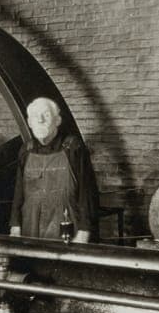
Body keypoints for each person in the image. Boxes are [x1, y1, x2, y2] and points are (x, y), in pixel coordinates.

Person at [9, 97, 99, 243]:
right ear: (30, 122)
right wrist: (15, 224)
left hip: (66, 226)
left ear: (57, 121)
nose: (40, 120)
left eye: (46, 114)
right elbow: (19, 192)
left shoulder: (73, 147)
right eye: (35, 116)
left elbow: (87, 192)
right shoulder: (26, 150)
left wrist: (84, 230)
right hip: (31, 227)